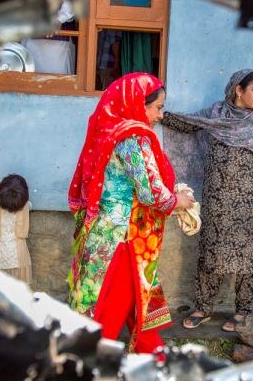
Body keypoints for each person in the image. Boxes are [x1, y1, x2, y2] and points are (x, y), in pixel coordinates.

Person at [67, 72, 194, 353]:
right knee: (108, 316)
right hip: (123, 241)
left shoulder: (108, 132)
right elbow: (152, 193)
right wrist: (179, 201)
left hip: (103, 233)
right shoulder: (134, 139)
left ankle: (152, 360)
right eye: (158, 108)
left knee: (132, 307)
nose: (160, 115)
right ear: (138, 103)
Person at [161, 69, 253, 332]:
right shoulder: (216, 114)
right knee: (212, 251)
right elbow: (189, 124)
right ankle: (203, 308)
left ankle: (242, 311)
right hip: (217, 198)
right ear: (238, 90)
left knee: (248, 257)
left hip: (252, 201)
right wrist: (157, 114)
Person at [0, 174, 33, 286]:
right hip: (18, 253)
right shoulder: (27, 205)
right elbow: (28, 203)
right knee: (17, 286)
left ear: (2, 189)